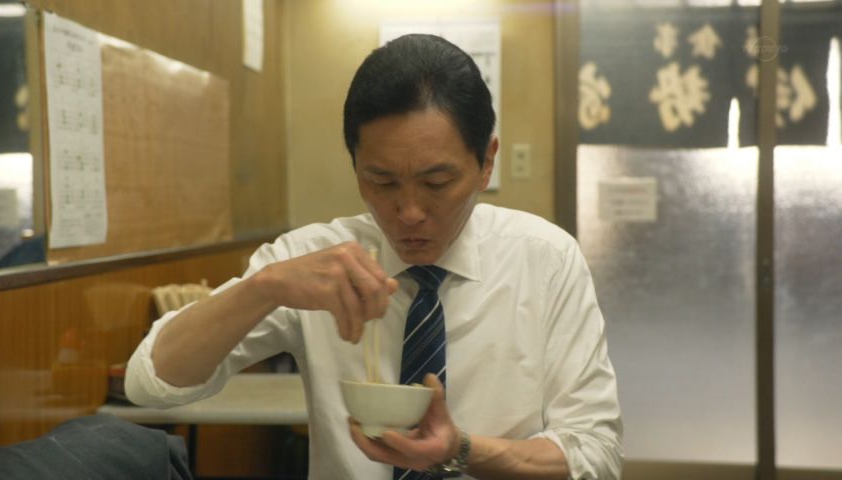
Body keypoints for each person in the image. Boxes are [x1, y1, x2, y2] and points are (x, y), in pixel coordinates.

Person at [126, 34, 622, 479]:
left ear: (487, 161)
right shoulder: (315, 261)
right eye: (381, 181)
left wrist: (462, 451)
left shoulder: (545, 259)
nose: (409, 212)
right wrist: (265, 287)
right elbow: (150, 383)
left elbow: (595, 455)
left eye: (436, 182)